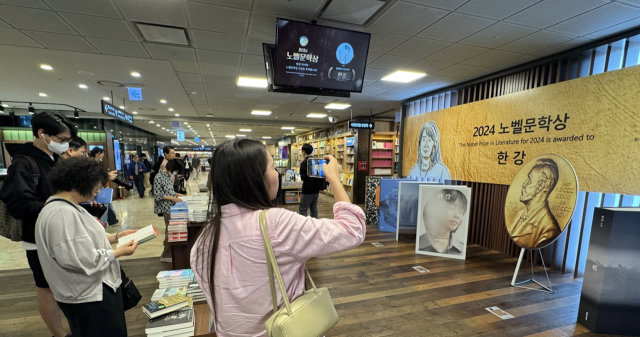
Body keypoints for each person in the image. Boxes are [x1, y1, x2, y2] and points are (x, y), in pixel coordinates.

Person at [191, 139, 365, 336]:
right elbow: (353, 229)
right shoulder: (276, 224)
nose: (277, 174)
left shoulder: (203, 240)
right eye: (273, 166)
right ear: (255, 178)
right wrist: (334, 178)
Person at [35, 156, 139, 337]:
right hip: (87, 295)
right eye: (96, 185)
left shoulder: (68, 206)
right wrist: (118, 252)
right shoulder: (61, 212)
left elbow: (85, 239)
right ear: (79, 182)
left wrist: (115, 237)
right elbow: (82, 259)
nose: (97, 191)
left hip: (93, 290)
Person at [0, 111, 76, 337]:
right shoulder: (23, 162)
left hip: (61, 233)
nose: (65, 145)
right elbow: (19, 204)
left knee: (64, 285)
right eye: (62, 140)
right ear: (42, 134)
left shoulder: (54, 159)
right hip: (38, 237)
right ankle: (59, 333)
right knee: (46, 288)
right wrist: (59, 204)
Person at [509, 158, 561, 249]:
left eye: (529, 180)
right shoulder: (519, 214)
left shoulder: (549, 230)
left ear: (541, 186)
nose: (524, 184)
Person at [154, 158, 185, 263]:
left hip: (171, 207)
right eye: (176, 170)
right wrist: (173, 198)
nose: (176, 173)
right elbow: (158, 195)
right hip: (166, 208)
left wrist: (177, 194)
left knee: (171, 230)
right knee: (169, 231)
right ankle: (166, 255)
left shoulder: (167, 176)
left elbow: (168, 191)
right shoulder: (159, 177)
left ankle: (170, 253)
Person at [418, 189, 467, 255]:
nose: (457, 215)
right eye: (451, 208)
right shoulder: (416, 244)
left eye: (461, 212)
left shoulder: (464, 250)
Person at [299, 143, 325, 218]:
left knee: (303, 209)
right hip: (316, 189)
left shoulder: (304, 162)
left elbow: (303, 177)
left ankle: (304, 226)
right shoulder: (316, 161)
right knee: (314, 209)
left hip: (307, 189)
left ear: (303, 151)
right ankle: (315, 225)